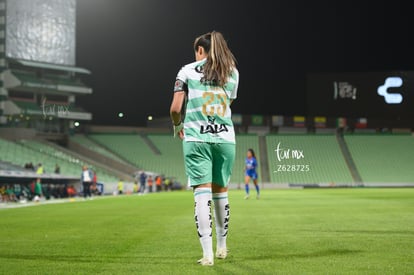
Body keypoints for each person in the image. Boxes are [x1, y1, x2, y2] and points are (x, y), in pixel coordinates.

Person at [170, 31, 238, 266]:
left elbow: (176, 108)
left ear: (200, 50)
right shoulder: (232, 72)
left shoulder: (187, 70)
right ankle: (222, 246)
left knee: (202, 194)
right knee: (221, 193)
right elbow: (227, 103)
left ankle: (207, 254)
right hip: (225, 140)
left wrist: (178, 125)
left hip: (196, 138)